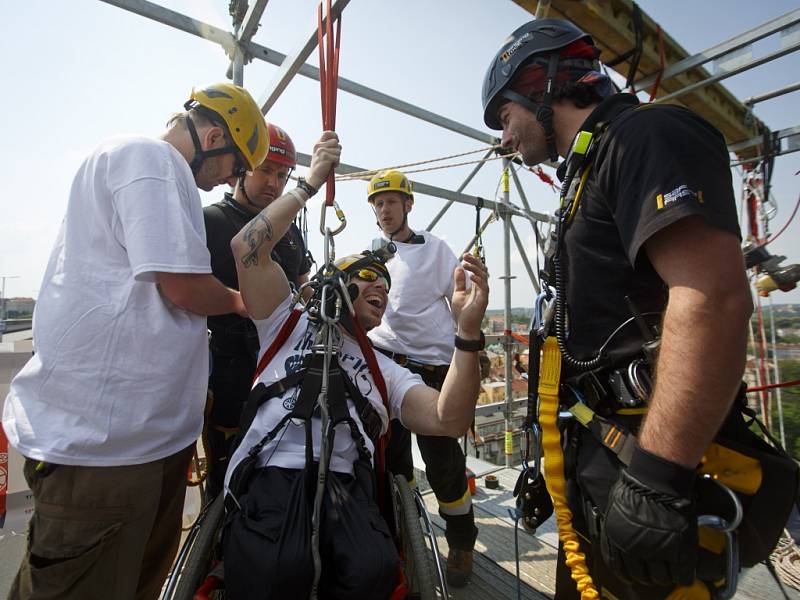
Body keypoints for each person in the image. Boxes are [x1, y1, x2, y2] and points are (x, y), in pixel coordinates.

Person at [482, 19, 754, 599]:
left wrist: (658, 477)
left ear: (540, 84)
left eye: (505, 118)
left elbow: (712, 298)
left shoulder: (645, 136)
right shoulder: (594, 167)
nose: (504, 141)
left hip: (647, 460)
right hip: (604, 457)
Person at [2, 83, 268, 600]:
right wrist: (248, 303)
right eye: (234, 167)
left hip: (136, 443)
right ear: (213, 136)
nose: (228, 183)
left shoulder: (145, 169)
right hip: (106, 453)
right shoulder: (150, 159)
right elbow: (182, 286)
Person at [221, 131, 490, 599]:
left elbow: (449, 418)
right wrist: (309, 184)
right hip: (272, 472)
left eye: (384, 285)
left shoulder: (382, 369)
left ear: (408, 206)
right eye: (368, 278)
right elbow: (247, 247)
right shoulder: (285, 322)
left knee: (374, 570)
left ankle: (459, 542)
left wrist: (468, 334)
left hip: (374, 441)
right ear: (335, 284)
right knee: (275, 568)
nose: (381, 288)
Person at [365, 169, 479, 587]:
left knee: (444, 465)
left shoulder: (436, 250)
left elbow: (460, 303)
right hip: (386, 365)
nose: (384, 210)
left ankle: (462, 542)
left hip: (432, 372)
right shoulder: (375, 257)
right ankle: (405, 531)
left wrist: (467, 360)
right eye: (377, 204)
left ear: (408, 205)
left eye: (391, 201)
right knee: (394, 463)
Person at [203, 122, 312, 498]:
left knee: (279, 467)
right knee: (226, 476)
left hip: (285, 372)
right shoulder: (212, 222)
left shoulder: (290, 230)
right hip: (230, 372)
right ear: (241, 168)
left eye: (283, 175)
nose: (274, 183)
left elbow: (302, 284)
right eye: (266, 170)